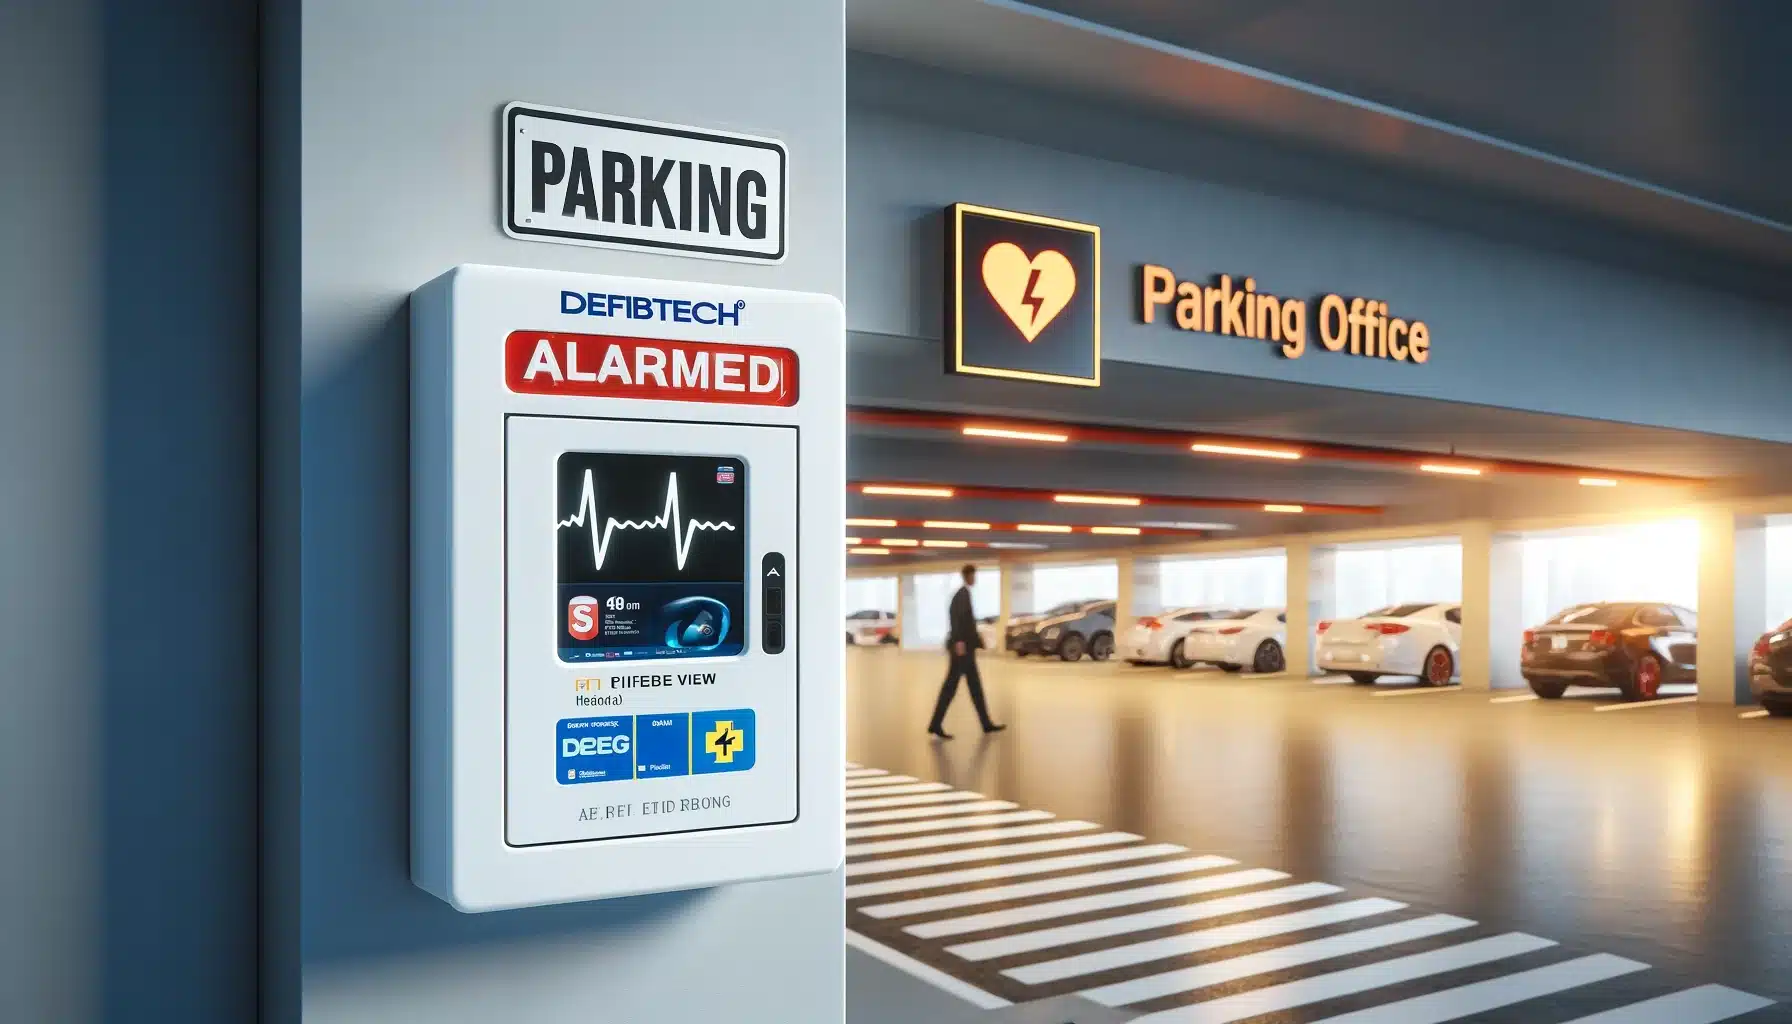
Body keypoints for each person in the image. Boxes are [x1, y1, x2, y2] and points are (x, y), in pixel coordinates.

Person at [927, 564, 1006, 739]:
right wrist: (960, 642)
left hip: (965, 649)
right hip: (961, 651)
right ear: (967, 576)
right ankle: (935, 723)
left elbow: (964, 621)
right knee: (951, 687)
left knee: (974, 687)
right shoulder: (962, 595)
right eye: (973, 576)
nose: (974, 579)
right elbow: (957, 620)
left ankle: (985, 723)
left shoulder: (963, 594)